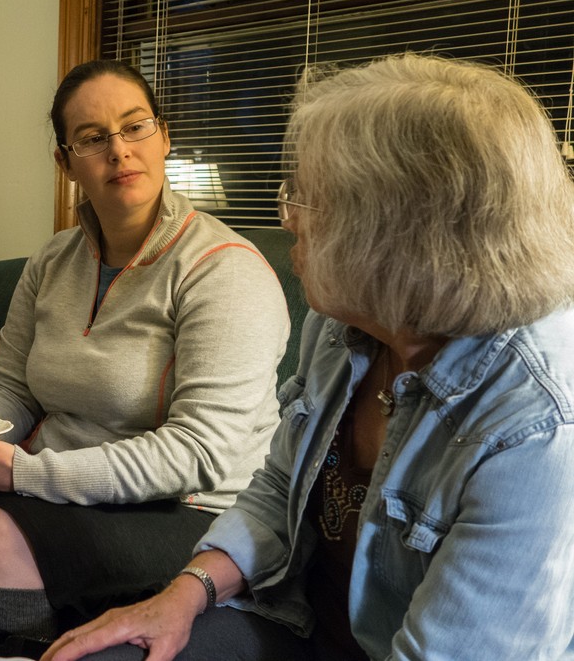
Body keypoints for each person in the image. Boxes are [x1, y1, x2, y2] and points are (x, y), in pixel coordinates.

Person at [41, 52, 574, 661]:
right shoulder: (344, 322)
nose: (287, 218)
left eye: (310, 200)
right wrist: (183, 594)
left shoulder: (537, 425)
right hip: (296, 618)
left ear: (401, 232)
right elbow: (276, 487)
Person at [0, 59, 290, 660]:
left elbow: (201, 454)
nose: (120, 151)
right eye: (94, 138)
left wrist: (21, 474)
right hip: (68, 489)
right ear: (66, 161)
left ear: (165, 135)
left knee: (4, 535)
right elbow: (13, 389)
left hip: (192, 509)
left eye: (135, 127)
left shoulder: (224, 270)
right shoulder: (51, 263)